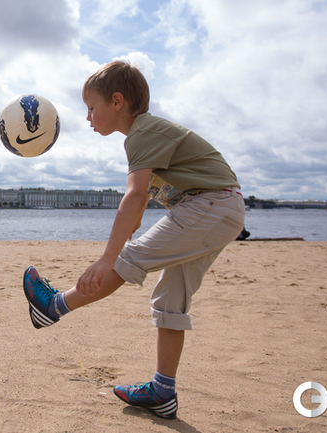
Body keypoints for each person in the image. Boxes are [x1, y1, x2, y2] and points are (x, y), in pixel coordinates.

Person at [22, 60, 245, 420]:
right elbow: (142, 204)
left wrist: (107, 258)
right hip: (221, 209)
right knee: (170, 300)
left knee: (129, 259)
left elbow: (135, 195)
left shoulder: (142, 133)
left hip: (211, 206)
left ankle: (54, 307)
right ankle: (162, 392)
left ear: (117, 101)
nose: (87, 117)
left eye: (91, 107)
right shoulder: (146, 133)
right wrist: (133, 224)